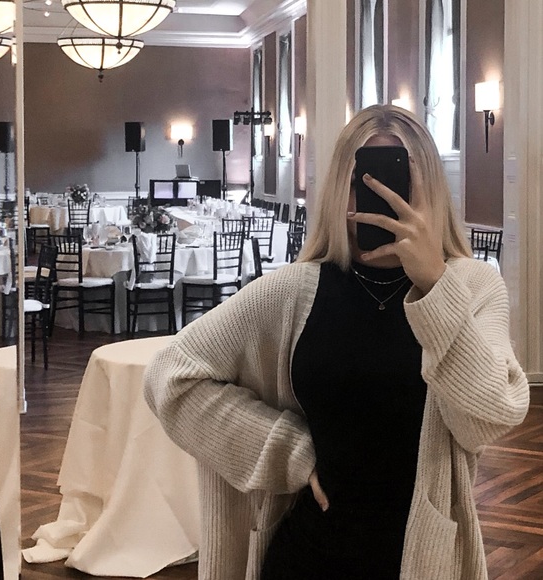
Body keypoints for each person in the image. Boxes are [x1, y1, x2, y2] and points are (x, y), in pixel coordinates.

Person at [144, 104, 529, 580]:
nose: (381, 198)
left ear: (430, 189)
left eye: (398, 181)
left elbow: (485, 422)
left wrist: (434, 284)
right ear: (337, 190)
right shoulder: (291, 291)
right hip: (307, 554)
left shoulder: (472, 287)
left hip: (425, 558)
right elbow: (171, 375)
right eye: (361, 181)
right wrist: (286, 451)